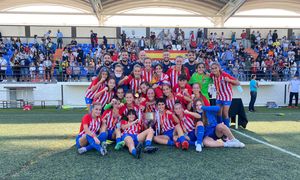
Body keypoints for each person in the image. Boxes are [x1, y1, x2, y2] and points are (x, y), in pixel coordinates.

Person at [210, 62, 240, 127]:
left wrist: (229, 80)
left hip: (227, 96)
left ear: (219, 68)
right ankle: (220, 127)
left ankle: (226, 129)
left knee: (225, 113)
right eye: (212, 68)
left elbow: (237, 83)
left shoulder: (225, 75)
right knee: (218, 112)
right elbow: (206, 74)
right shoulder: (212, 75)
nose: (214, 70)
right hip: (219, 96)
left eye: (216, 68)